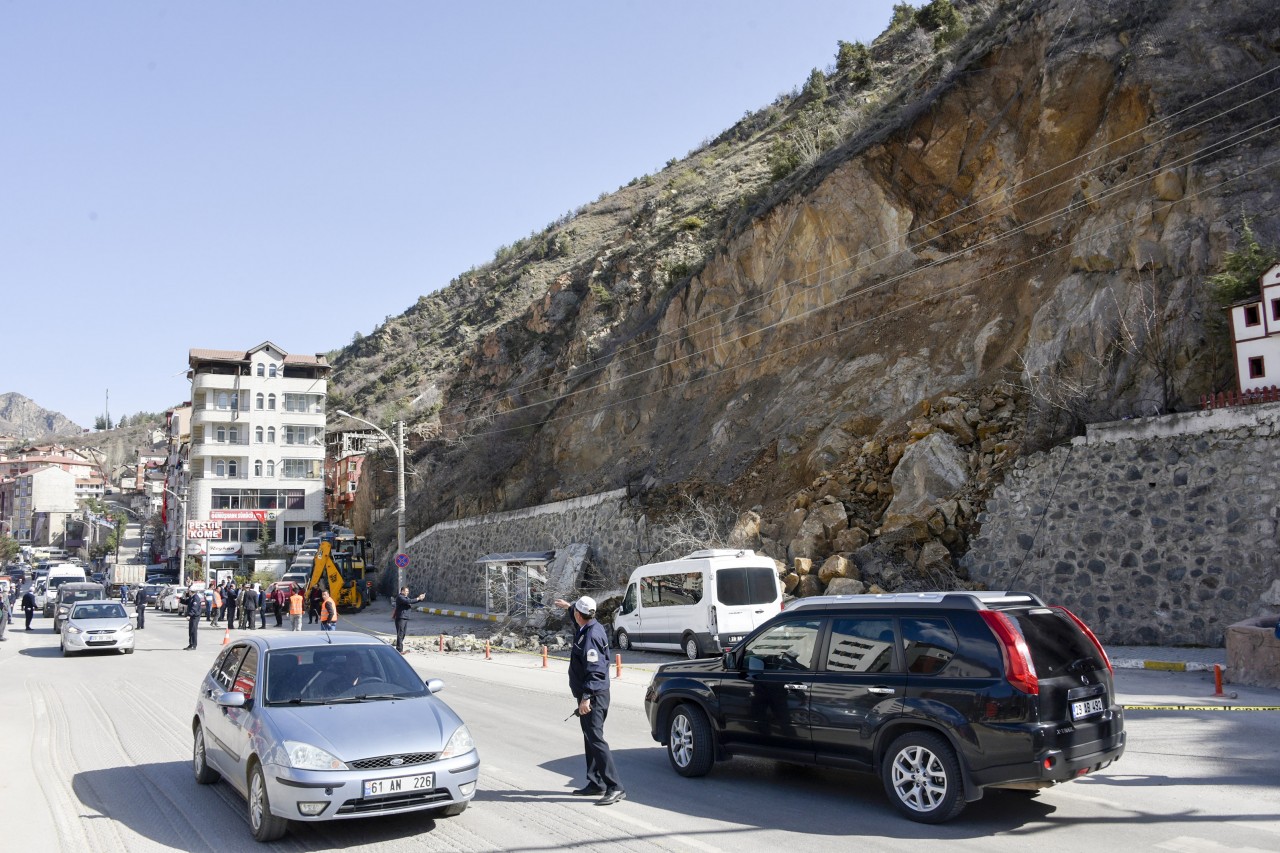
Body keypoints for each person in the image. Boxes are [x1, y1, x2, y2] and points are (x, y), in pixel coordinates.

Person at [554, 595, 624, 806]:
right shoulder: (590, 625)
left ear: (580, 615)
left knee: (596, 739)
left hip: (593, 695)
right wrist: (569, 607)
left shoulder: (591, 635)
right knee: (590, 737)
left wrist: (586, 698)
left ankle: (615, 786)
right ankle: (595, 782)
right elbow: (579, 615)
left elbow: (595, 671)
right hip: (591, 693)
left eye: (575, 611)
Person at [392, 586, 426, 653]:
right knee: (400, 634)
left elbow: (411, 601)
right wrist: (418, 598)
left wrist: (420, 599)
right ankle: (399, 650)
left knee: (403, 634)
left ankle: (399, 648)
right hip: (400, 617)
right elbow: (408, 601)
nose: (407, 592)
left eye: (408, 591)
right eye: (406, 591)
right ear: (402, 591)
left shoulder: (405, 597)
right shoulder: (400, 597)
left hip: (405, 617)